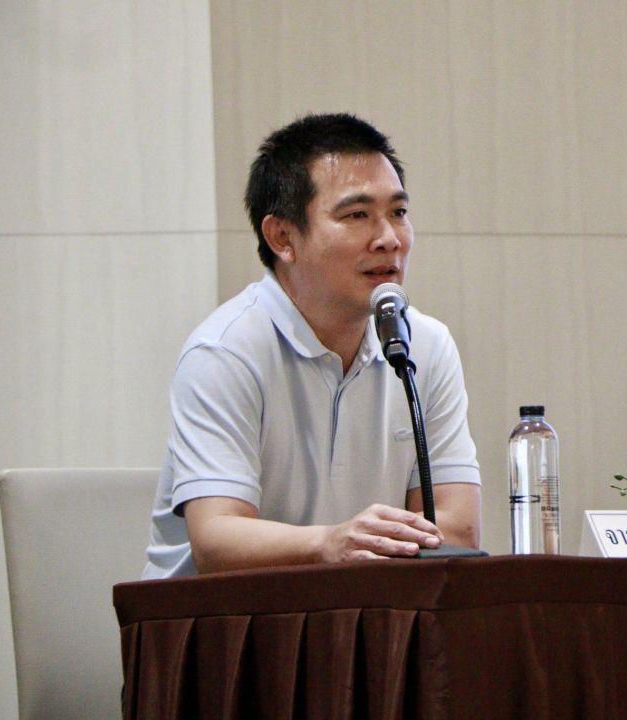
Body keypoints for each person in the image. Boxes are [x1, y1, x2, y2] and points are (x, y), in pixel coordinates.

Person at [143, 114, 481, 578]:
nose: (389, 239)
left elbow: (457, 528)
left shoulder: (424, 346)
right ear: (282, 237)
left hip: (367, 610)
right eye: (357, 215)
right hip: (224, 617)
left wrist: (360, 548)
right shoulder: (226, 351)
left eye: (398, 213)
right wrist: (329, 544)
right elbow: (217, 539)